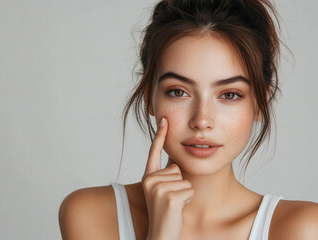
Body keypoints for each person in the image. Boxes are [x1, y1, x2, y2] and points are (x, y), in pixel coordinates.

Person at [58, 0, 318, 239]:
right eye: (178, 92)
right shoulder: (90, 214)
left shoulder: (299, 228)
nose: (202, 120)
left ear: (261, 102)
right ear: (150, 96)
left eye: (229, 94)